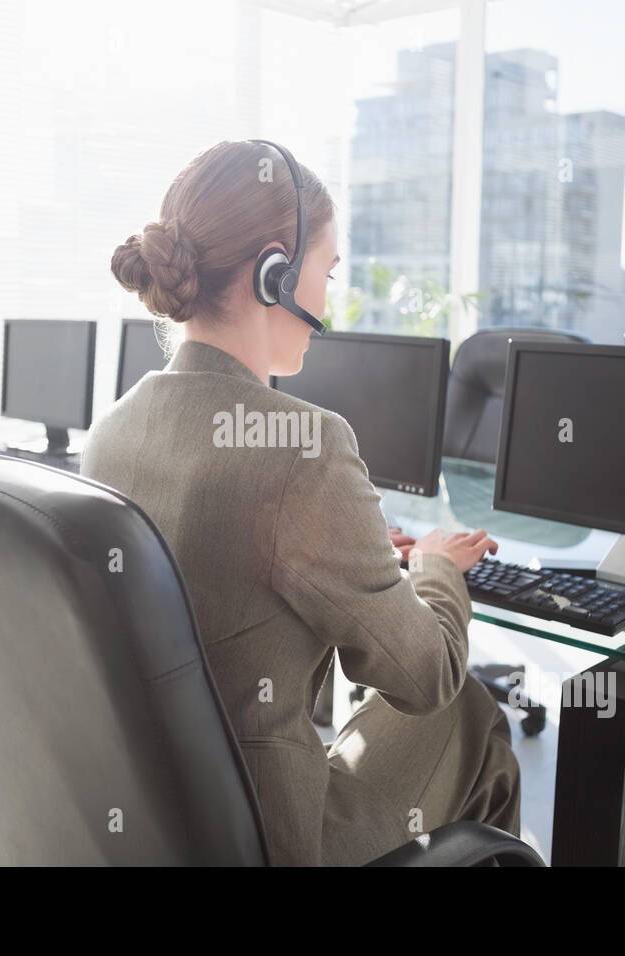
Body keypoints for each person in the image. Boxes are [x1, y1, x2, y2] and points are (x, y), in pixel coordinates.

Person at [83, 140, 520, 866]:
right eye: (328, 271)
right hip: (272, 838)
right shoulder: (305, 449)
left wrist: (353, 548)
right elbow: (424, 677)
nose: (330, 297)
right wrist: (437, 568)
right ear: (274, 274)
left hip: (152, 824)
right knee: (468, 710)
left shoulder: (111, 429)